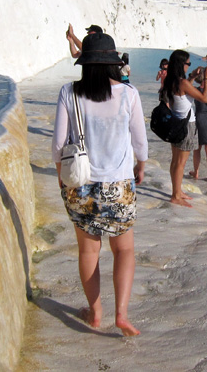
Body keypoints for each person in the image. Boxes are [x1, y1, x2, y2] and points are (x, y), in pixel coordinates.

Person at [51, 32, 147, 337]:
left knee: (88, 252)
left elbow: (57, 146)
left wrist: (61, 179)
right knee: (124, 250)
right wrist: (140, 167)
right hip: (119, 184)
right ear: (113, 63)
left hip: (80, 184)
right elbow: (141, 145)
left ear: (85, 63)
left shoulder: (69, 92)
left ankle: (95, 313)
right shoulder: (129, 94)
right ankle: (121, 314)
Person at [161, 50, 207, 207]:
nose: (189, 66)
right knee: (180, 163)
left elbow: (183, 89)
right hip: (186, 125)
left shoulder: (171, 80)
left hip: (176, 123)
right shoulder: (183, 83)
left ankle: (177, 190)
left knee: (175, 161)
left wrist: (193, 77)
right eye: (188, 64)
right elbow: (204, 98)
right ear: (182, 64)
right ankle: (176, 195)